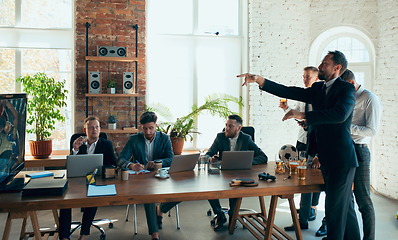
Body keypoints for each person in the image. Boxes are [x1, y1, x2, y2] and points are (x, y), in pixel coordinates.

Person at [238, 50, 360, 240]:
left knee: (335, 211)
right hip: (326, 157)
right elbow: (289, 91)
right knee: (345, 208)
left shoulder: (346, 89)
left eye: (325, 63)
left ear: (337, 68)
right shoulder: (319, 88)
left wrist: (304, 115)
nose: (320, 66)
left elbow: (340, 114)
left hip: (342, 160)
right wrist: (260, 80)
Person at [116, 111, 174, 240]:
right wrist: (131, 165)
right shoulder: (134, 139)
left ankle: (160, 210)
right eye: (145, 128)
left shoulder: (164, 138)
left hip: (161, 176)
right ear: (141, 127)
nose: (148, 132)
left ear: (156, 126)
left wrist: (157, 163)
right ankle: (155, 234)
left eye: (151, 128)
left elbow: (170, 158)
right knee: (149, 197)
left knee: (181, 192)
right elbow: (120, 160)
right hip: (142, 179)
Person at [206, 114, 268, 231]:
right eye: (226, 125)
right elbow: (208, 154)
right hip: (222, 173)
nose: (227, 128)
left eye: (230, 126)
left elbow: (263, 157)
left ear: (239, 128)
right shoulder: (220, 137)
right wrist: (210, 159)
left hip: (239, 175)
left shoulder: (246, 139)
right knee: (209, 190)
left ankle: (233, 217)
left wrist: (247, 161)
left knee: (235, 188)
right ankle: (220, 215)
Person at [59, 116, 117, 240]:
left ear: (100, 129)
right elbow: (68, 167)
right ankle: (64, 236)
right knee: (65, 199)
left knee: (92, 195)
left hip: (97, 180)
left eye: (96, 127)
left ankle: (83, 234)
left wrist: (102, 170)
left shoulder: (107, 144)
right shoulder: (78, 144)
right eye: (91, 127)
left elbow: (113, 164)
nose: (94, 130)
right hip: (77, 181)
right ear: (85, 130)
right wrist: (74, 150)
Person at [340, 69, 382, 240]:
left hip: (359, 151)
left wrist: (345, 128)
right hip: (343, 150)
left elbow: (372, 131)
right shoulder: (345, 97)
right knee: (344, 198)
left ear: (350, 84)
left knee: (363, 200)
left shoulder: (370, 99)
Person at [279, 66, 322, 231]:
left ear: (316, 78)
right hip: (302, 140)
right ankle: (303, 216)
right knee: (303, 177)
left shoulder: (320, 97)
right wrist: (287, 110)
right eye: (303, 77)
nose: (305, 80)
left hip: (317, 142)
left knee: (315, 178)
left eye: (308, 77)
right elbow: (296, 114)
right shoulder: (302, 95)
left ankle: (312, 208)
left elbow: (320, 122)